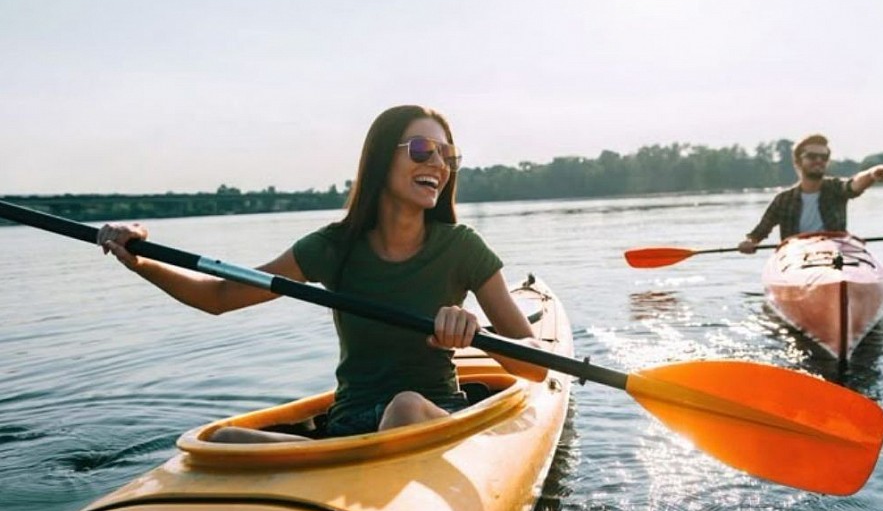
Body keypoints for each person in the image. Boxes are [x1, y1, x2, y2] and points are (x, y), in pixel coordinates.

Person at [97, 104, 546, 443]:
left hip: (429, 416)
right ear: (379, 160)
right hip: (348, 426)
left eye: (449, 156)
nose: (439, 164)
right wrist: (140, 258)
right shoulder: (333, 247)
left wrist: (474, 332)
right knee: (222, 439)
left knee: (405, 407)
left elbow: (535, 365)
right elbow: (219, 296)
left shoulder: (462, 247)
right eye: (423, 149)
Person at [737, 133, 883, 253]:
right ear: (798, 162)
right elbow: (759, 233)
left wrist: (873, 173)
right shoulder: (783, 200)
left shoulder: (835, 188)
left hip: (835, 253)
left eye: (824, 157)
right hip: (796, 256)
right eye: (812, 156)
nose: (819, 160)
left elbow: (854, 184)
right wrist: (750, 242)